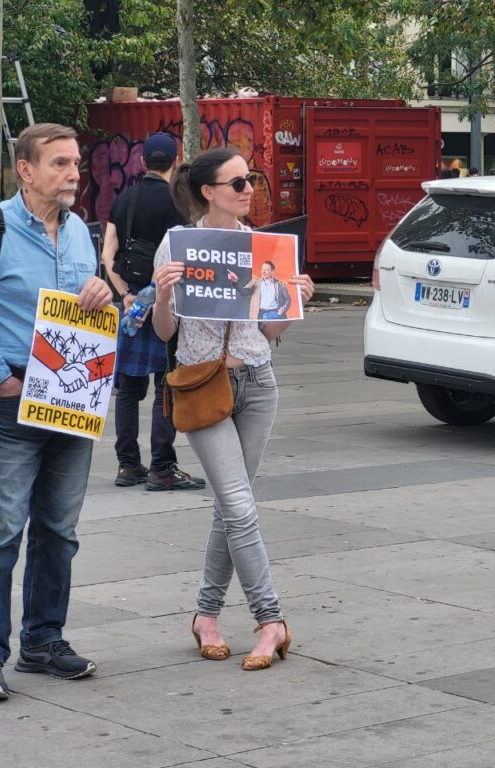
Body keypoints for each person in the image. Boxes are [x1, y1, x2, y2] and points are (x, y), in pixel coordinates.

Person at [151, 148, 315, 671]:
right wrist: (162, 296)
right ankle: (271, 620)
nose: (249, 190)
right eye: (238, 182)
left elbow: (269, 330)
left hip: (258, 383)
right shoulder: (178, 245)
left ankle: (206, 616)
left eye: (252, 180)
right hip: (203, 384)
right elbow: (165, 333)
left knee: (231, 505)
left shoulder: (263, 246)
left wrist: (294, 299)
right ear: (208, 192)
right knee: (240, 507)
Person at [0, 124, 113, 702]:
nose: (73, 173)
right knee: (0, 533)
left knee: (59, 531)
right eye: (60, 163)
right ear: (26, 170)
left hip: (71, 400)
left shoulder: (81, 231)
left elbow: (91, 303)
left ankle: (43, 640)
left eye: (76, 163)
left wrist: (102, 291)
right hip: (10, 400)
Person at [102, 132, 205, 491]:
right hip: (166, 305)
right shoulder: (180, 202)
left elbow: (108, 254)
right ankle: (162, 466)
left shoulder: (123, 200)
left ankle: (128, 465)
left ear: (143, 162)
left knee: (129, 390)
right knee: (166, 387)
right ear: (175, 161)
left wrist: (126, 295)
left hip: (133, 308)